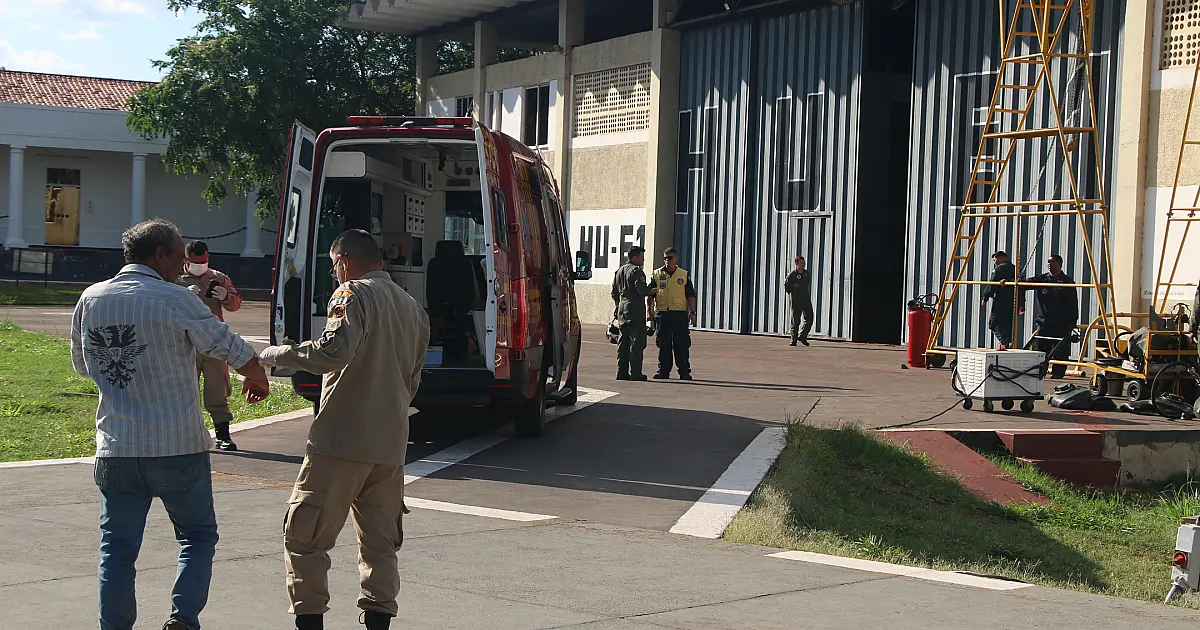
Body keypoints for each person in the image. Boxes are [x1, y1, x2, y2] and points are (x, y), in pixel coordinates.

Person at [70, 218, 270, 630]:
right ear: (159, 254)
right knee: (197, 537)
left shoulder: (90, 299)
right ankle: (182, 620)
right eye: (180, 256)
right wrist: (255, 371)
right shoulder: (174, 298)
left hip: (117, 447)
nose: (185, 265)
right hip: (176, 443)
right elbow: (225, 343)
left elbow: (82, 365)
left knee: (117, 552)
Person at [257, 229, 429, 630]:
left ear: (344, 261)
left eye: (335, 266)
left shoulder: (352, 294)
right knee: (380, 543)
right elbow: (414, 380)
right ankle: (377, 619)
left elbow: (334, 351)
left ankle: (310, 620)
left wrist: (279, 354)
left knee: (305, 536)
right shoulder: (412, 308)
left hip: (341, 438)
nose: (335, 274)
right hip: (389, 443)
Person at [177, 240, 244, 451]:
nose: (201, 264)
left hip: (214, 341)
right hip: (185, 342)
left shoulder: (218, 278)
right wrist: (182, 295)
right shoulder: (174, 279)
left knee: (217, 389)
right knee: (185, 390)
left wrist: (226, 297)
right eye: (196, 262)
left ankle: (223, 435)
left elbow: (235, 304)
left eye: (204, 260)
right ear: (186, 260)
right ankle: (185, 436)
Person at [1010, 254, 1078, 379]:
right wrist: (1013, 282)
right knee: (1040, 349)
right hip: (1044, 321)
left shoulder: (1067, 282)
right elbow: (1023, 285)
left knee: (1060, 350)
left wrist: (1072, 322)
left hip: (1061, 323)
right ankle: (1040, 371)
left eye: (1052, 262)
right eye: (1048, 262)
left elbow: (1073, 304)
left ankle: (1058, 374)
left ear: (1059, 264)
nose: (1049, 264)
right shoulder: (1042, 279)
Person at [611, 245, 657, 381]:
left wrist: (619, 306)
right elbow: (642, 291)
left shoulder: (620, 271)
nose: (643, 260)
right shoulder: (636, 271)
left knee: (623, 341)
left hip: (622, 308)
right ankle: (636, 372)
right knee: (636, 341)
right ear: (635, 257)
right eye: (642, 257)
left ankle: (622, 372)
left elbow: (614, 292)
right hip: (634, 309)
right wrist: (651, 290)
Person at [650, 247, 697, 380]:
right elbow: (650, 294)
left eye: (670, 258)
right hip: (663, 314)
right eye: (665, 258)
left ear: (676, 258)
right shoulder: (657, 274)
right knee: (663, 344)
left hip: (679, 314)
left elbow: (690, 295)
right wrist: (649, 311)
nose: (667, 261)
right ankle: (663, 371)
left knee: (681, 344)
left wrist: (692, 312)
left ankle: (684, 371)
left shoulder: (683, 274)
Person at [980, 250, 1023, 349]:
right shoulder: (1017, 269)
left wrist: (985, 297)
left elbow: (992, 283)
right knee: (1009, 325)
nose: (995, 262)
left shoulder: (999, 269)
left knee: (994, 323)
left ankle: (1005, 343)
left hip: (1001, 300)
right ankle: (1009, 343)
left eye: (995, 259)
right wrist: (1021, 303)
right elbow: (1021, 287)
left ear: (1002, 258)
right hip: (1014, 301)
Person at [784, 255, 813, 347]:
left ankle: (803, 336)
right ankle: (794, 339)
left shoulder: (806, 273)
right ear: (796, 263)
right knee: (795, 320)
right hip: (796, 300)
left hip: (805, 299)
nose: (803, 265)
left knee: (810, 318)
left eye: (804, 263)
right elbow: (787, 286)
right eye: (801, 263)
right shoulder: (792, 275)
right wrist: (793, 295)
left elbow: (807, 283)